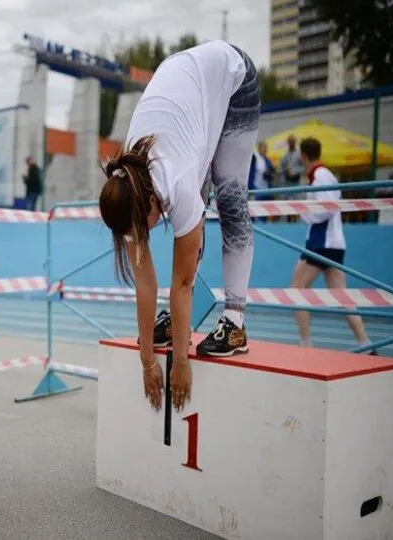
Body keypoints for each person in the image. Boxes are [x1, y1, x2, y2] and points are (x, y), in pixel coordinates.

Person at [98, 40, 260, 413]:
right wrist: (146, 360)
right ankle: (177, 322)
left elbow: (181, 283)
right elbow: (145, 282)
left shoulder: (179, 183)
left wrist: (181, 363)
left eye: (147, 226)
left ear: (153, 202)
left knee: (230, 195)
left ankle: (235, 321)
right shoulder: (123, 187)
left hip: (231, 77)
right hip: (187, 91)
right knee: (198, 201)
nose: (144, 236)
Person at [291, 137, 374, 352]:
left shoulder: (320, 176)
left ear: (303, 155)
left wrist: (305, 213)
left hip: (322, 242)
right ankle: (366, 344)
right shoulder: (324, 175)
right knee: (342, 296)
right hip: (332, 242)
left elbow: (327, 208)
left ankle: (306, 345)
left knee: (296, 290)